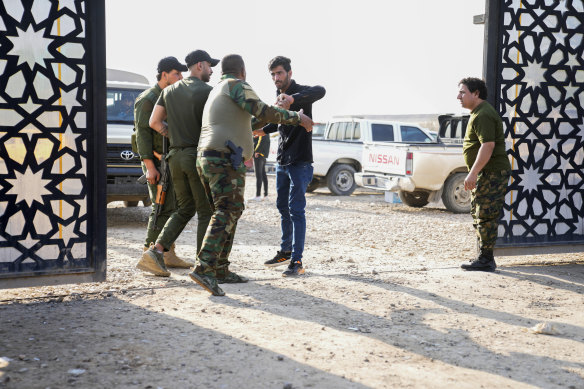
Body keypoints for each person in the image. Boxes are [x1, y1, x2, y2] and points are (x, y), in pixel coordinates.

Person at [190, 54, 314, 296]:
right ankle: (205, 268)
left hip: (209, 156)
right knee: (226, 211)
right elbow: (262, 111)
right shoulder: (237, 85)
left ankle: (221, 269)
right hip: (223, 158)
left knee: (231, 209)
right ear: (243, 71)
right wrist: (296, 118)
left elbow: (254, 120)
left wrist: (277, 114)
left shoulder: (219, 89)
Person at [143, 50, 217, 276]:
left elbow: (154, 122)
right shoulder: (208, 92)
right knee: (206, 210)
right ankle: (204, 266)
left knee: (184, 208)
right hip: (196, 157)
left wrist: (173, 134)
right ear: (200, 65)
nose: (212, 70)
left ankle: (154, 252)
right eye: (209, 66)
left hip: (174, 157)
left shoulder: (169, 91)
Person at [257, 56, 325, 277]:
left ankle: (297, 261)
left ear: (289, 73)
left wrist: (292, 100)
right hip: (282, 162)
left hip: (300, 162)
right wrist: (259, 130)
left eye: (280, 73)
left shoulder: (300, 93)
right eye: (273, 74)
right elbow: (277, 121)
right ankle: (285, 251)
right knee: (282, 207)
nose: (276, 78)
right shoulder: (278, 97)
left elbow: (320, 90)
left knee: (296, 210)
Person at [134, 56, 194, 276]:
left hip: (169, 161)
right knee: (160, 208)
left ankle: (167, 254)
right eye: (177, 74)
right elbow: (142, 134)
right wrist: (149, 166)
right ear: (165, 74)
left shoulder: (167, 96)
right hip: (156, 163)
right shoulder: (148, 98)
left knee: (174, 207)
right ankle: (150, 255)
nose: (180, 78)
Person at [457, 77, 511, 272]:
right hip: (486, 172)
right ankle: (484, 256)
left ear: (476, 93)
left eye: (463, 92)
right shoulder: (478, 113)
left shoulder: (483, 114)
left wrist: (473, 173)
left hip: (491, 172)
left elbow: (488, 146)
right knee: (480, 212)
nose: (458, 97)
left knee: (486, 214)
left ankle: (486, 260)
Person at [249, 133, 270, 201]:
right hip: (263, 154)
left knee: (259, 175)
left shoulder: (261, 128)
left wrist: (257, 151)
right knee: (263, 174)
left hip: (258, 154)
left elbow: (262, 140)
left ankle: (258, 195)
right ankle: (265, 195)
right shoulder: (266, 129)